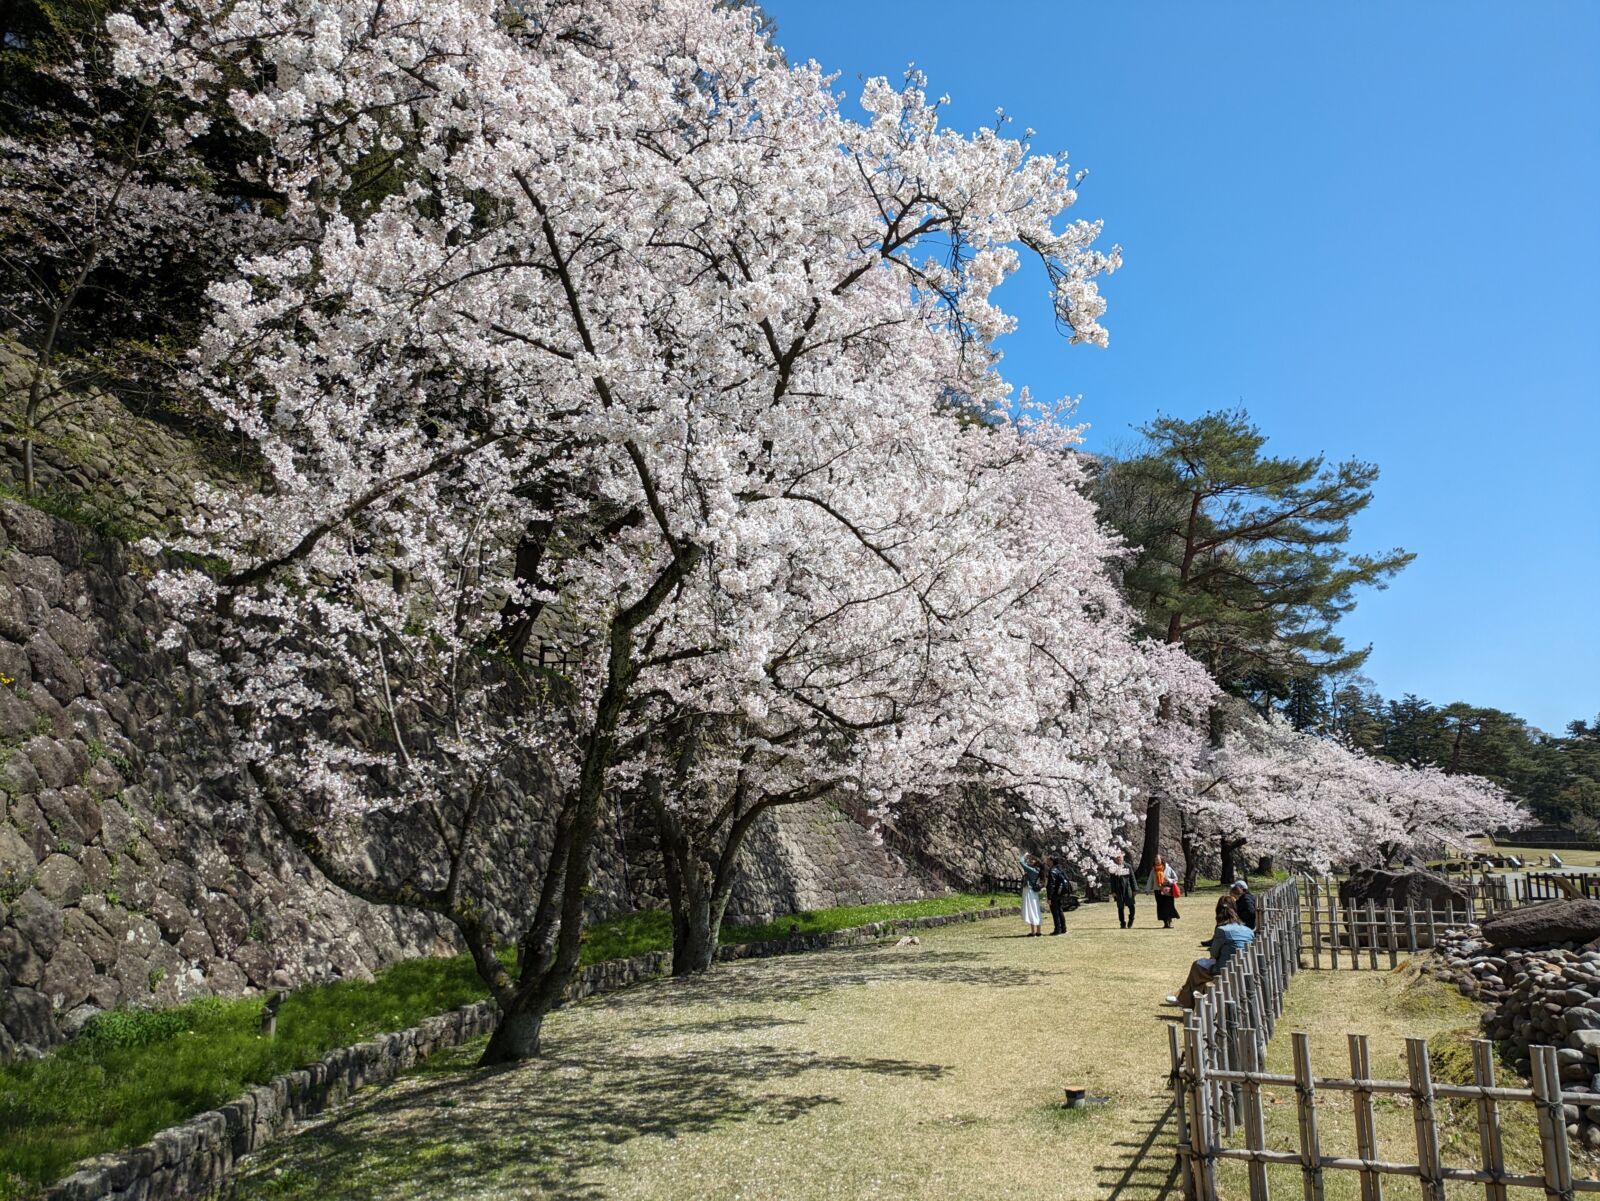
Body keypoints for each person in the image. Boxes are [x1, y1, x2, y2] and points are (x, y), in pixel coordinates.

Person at [1166, 898, 1255, 1008]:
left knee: (1197, 966)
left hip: (1225, 970)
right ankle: (1185, 997)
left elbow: (1214, 953)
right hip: (1245, 968)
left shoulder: (1222, 930)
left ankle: (1185, 999)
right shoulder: (1249, 930)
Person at [1110, 852, 1137, 928]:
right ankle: (1122, 923)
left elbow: (1132, 878)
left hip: (1128, 889)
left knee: (1131, 905)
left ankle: (1131, 919)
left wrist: (1134, 889)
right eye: (1117, 857)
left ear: (1123, 858)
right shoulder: (1113, 868)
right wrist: (1113, 891)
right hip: (1118, 890)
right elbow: (1112, 881)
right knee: (1120, 907)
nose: (1119, 859)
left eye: (1120, 857)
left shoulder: (1128, 867)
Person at [1153, 853, 1181, 928]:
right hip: (1158, 891)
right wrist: (1147, 889)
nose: (1157, 861)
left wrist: (1168, 881)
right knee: (1161, 907)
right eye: (1155, 860)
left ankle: (1170, 921)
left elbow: (1175, 878)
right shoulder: (1153, 869)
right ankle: (1165, 923)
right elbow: (1150, 880)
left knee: (1169, 906)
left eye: (1158, 860)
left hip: (1168, 890)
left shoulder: (1168, 868)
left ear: (1161, 860)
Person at [1019, 852, 1044, 937]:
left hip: (1029, 891)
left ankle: (1034, 932)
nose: (1030, 860)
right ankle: (1038, 931)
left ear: (1036, 862)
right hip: (1033, 892)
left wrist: (1024, 855)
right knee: (1035, 909)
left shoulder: (1032, 870)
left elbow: (1021, 862)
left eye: (1032, 860)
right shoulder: (1037, 870)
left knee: (1031, 910)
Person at [1045, 856, 1070, 936]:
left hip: (1055, 894)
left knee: (1055, 911)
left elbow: (1051, 885)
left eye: (1048, 860)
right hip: (1060, 893)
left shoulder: (1052, 871)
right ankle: (1063, 928)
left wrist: (1049, 897)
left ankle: (1057, 929)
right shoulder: (1060, 869)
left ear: (1051, 861)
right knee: (1060, 910)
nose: (1046, 862)